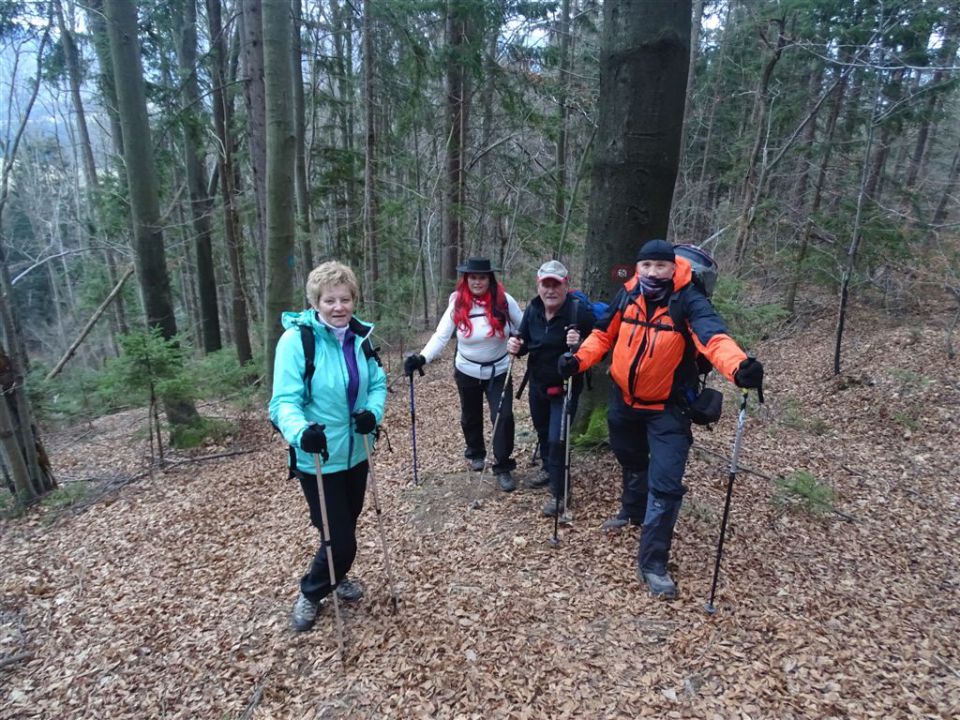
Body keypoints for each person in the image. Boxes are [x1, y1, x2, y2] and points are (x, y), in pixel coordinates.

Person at [559, 240, 763, 599]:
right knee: (630, 457)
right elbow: (603, 335)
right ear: (639, 268)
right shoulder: (628, 295)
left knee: (666, 485)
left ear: (673, 268)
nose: (653, 273)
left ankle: (653, 563)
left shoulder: (689, 301)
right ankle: (632, 511)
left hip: (668, 409)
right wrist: (578, 361)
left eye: (660, 266)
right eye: (646, 265)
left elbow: (713, 339)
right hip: (624, 401)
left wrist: (738, 367)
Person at [269, 261, 387, 632]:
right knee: (341, 540)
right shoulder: (297, 342)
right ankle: (312, 591)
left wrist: (372, 413)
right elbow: (283, 402)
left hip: (356, 451)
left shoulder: (360, 339)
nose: (339, 307)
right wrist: (302, 431)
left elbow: (377, 385)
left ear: (354, 300)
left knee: (342, 528)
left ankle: (336, 575)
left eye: (345, 299)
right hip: (317, 455)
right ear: (315, 302)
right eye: (330, 300)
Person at [404, 257, 523, 491]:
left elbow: (524, 325)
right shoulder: (458, 303)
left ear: (490, 279)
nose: (477, 282)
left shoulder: (503, 301)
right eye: (473, 278)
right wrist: (422, 358)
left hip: (498, 370)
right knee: (470, 415)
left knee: (504, 416)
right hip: (466, 369)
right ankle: (476, 452)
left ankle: (503, 466)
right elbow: (441, 335)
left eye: (482, 277)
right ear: (466, 280)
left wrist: (520, 342)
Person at [507, 260, 595, 516]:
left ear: (566, 284)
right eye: (546, 284)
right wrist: (515, 346)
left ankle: (560, 492)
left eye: (556, 284)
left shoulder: (579, 313)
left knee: (558, 439)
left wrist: (579, 345)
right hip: (537, 384)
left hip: (565, 386)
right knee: (543, 431)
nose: (550, 290)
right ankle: (548, 469)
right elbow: (524, 342)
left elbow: (597, 346)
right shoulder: (533, 309)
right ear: (539, 284)